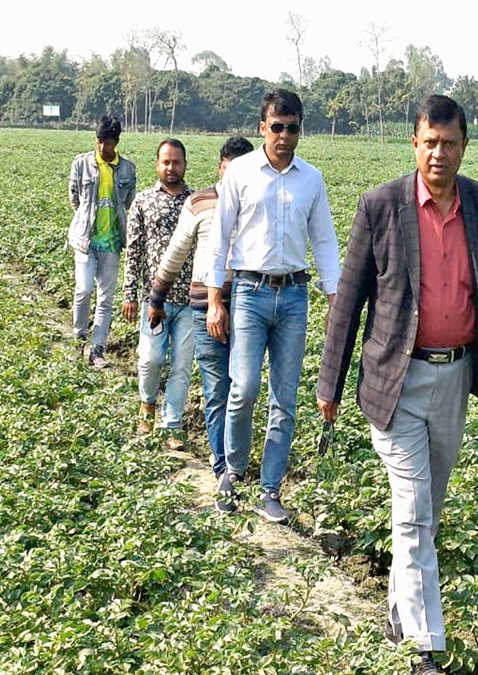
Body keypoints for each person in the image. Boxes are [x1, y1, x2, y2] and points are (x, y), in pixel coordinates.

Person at [314, 95, 478, 675]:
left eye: (450, 143)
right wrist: (330, 381)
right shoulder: (381, 206)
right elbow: (350, 301)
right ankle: (424, 646)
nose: (439, 153)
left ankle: (399, 608)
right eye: (429, 142)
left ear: (465, 146)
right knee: (413, 513)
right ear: (414, 143)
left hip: (455, 377)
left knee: (425, 514)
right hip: (395, 382)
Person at [205, 89, 341, 523]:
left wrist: (334, 298)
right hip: (249, 291)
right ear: (262, 127)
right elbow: (219, 238)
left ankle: (270, 490)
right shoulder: (241, 173)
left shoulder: (311, 180)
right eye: (277, 127)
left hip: (295, 295)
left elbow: (323, 241)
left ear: (301, 130)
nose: (284, 135)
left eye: (293, 127)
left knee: (285, 399)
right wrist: (214, 300)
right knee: (243, 389)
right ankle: (231, 472)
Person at [147, 136, 255, 479]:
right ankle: (223, 463)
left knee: (242, 385)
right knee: (216, 385)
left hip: (249, 303)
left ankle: (232, 457)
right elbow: (177, 251)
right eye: (230, 169)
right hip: (204, 305)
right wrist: (157, 295)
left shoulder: (259, 202)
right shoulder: (200, 202)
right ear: (221, 167)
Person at [121, 138, 194, 447]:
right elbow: (134, 250)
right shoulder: (143, 201)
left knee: (181, 364)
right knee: (150, 359)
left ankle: (172, 424)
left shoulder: (196, 201)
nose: (171, 167)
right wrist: (130, 294)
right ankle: (147, 404)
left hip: (191, 299)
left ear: (185, 165)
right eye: (165, 161)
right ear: (157, 164)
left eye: (176, 162)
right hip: (156, 299)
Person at [67, 115, 137, 368]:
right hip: (86, 240)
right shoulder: (81, 164)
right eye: (99, 142)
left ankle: (97, 350)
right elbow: (74, 197)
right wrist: (87, 219)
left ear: (116, 142)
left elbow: (128, 201)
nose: (102, 147)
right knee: (83, 290)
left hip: (113, 241)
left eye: (107, 143)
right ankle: (79, 339)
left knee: (105, 299)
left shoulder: (127, 169)